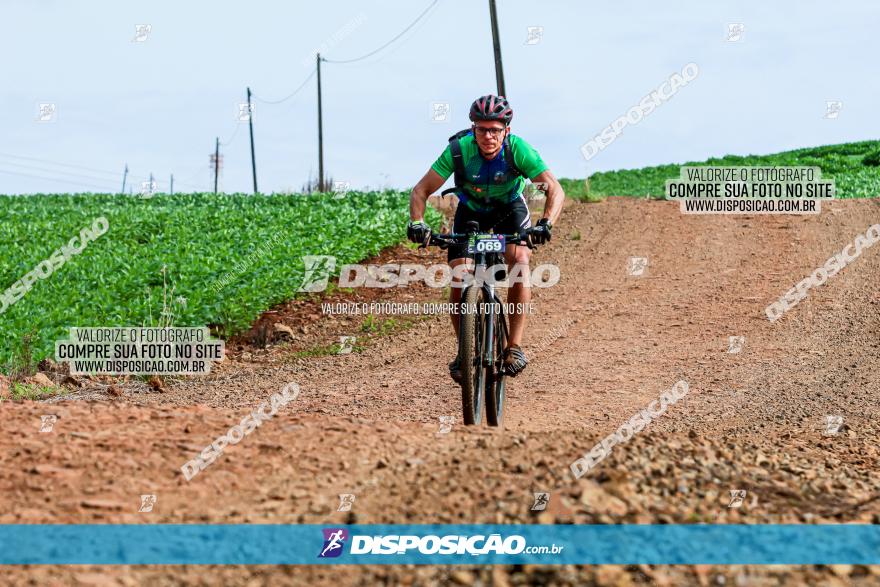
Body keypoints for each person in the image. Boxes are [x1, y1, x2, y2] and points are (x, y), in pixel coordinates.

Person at [407, 94, 564, 382]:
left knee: (519, 261)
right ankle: (464, 350)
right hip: (472, 211)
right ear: (473, 129)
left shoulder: (519, 150)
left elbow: (554, 188)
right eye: (482, 129)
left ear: (507, 130)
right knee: (459, 276)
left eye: (495, 130)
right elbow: (420, 191)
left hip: (509, 210)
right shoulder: (459, 150)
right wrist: (417, 222)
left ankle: (513, 346)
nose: (488, 136)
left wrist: (545, 224)